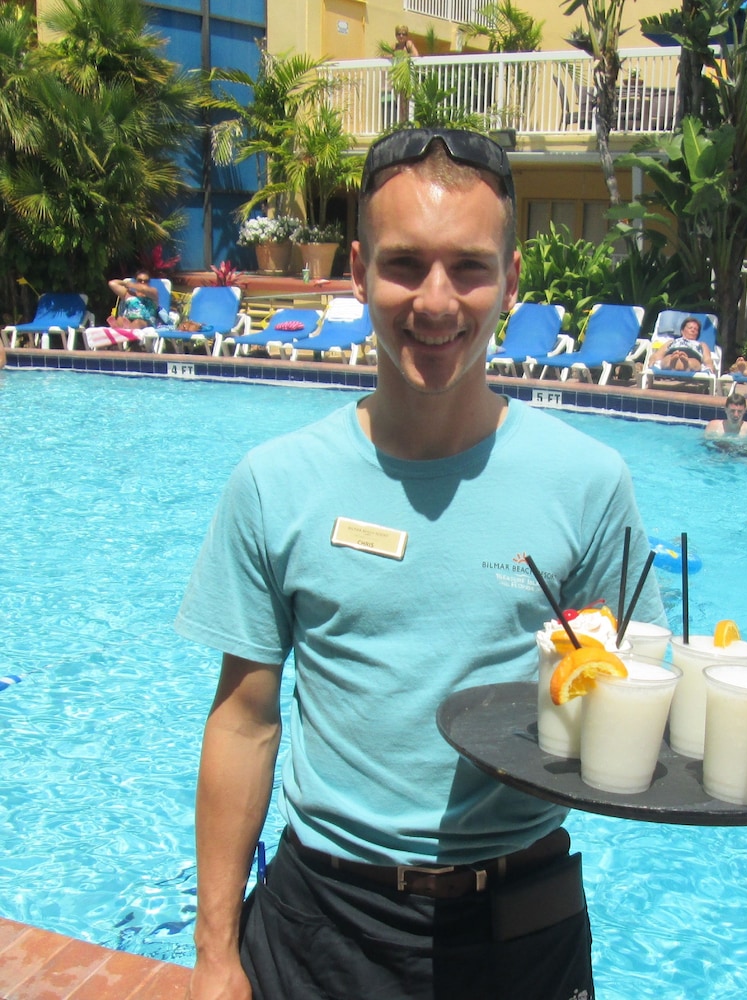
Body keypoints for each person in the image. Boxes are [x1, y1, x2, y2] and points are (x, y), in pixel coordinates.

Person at [175, 128, 666, 1000]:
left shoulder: (588, 484)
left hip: (521, 923)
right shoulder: (276, 483)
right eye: (404, 264)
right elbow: (245, 721)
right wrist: (216, 955)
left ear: (511, 282)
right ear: (359, 270)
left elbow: (639, 695)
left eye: (469, 268)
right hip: (320, 925)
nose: (435, 302)